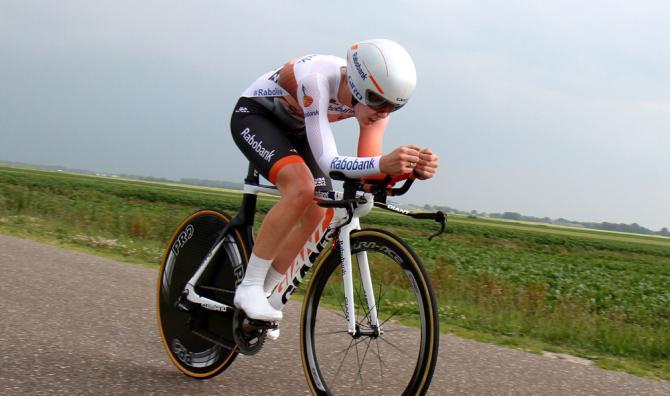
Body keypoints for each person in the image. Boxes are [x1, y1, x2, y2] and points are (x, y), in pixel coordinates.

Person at [230, 39, 439, 325]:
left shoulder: (377, 110)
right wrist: (383, 162)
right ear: (354, 85)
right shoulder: (317, 80)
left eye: (394, 107)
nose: (383, 112)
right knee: (301, 187)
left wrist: (407, 170)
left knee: (321, 209)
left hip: (301, 128)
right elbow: (329, 160)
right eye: (378, 101)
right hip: (257, 116)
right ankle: (249, 287)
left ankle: (263, 296)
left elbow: (367, 174)